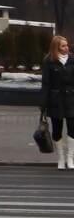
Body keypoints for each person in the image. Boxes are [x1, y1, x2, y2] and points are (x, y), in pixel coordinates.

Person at [43, 35, 74, 169]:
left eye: (67, 45)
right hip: (56, 100)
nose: (66, 48)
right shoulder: (49, 61)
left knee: (72, 129)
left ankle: (70, 158)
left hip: (71, 99)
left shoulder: (72, 60)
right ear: (56, 47)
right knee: (57, 130)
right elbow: (46, 83)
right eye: (63, 45)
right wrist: (43, 104)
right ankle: (61, 158)